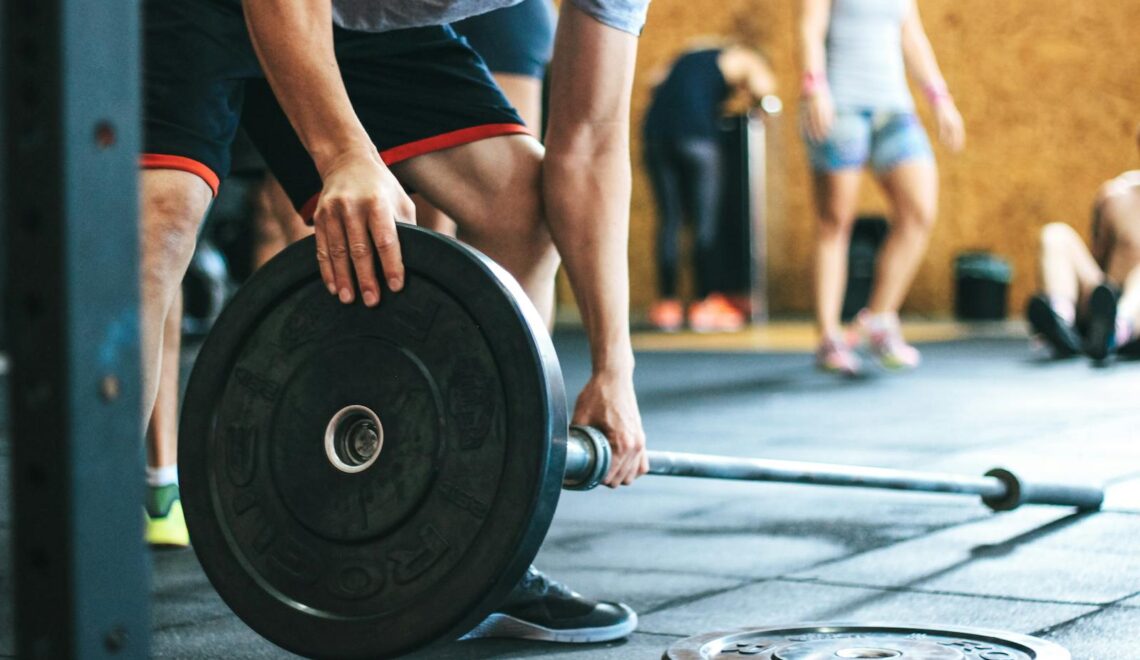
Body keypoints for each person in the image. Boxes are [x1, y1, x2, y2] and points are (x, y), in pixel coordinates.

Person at [140, 0, 648, 643]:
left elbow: (591, 144)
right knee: (158, 224)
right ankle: (85, 558)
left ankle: (476, 558)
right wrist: (344, 153)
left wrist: (614, 365)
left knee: (519, 210)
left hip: (348, 23)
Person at [800, 0, 965, 375]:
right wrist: (814, 87)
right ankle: (829, 337)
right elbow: (810, 28)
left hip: (893, 108)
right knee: (835, 222)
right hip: (840, 106)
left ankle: (878, 319)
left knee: (919, 210)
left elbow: (912, 36)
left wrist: (939, 98)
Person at [643, 42, 778, 333]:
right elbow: (762, 87)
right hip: (697, 138)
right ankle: (705, 303)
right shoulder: (741, 57)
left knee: (670, 220)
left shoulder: (686, 56)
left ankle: (667, 305)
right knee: (706, 222)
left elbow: (652, 81)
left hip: (657, 136)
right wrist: (760, 103)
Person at [1027, 128, 1140, 362]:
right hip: (1105, 302)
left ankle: (1116, 331)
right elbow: (1098, 257)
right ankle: (1060, 323)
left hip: (1133, 316)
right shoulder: (1115, 196)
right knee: (1055, 234)